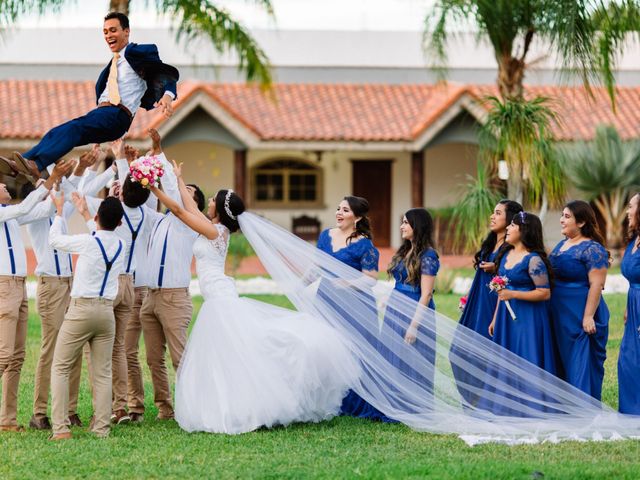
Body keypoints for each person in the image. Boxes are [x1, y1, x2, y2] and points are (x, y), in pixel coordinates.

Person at [148, 169, 358, 434]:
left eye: (213, 199)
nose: (208, 201)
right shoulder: (213, 227)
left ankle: (247, 403)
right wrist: (177, 179)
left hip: (219, 300)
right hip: (217, 297)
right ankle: (229, 400)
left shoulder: (215, 231)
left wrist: (154, 189)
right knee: (230, 355)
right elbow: (187, 206)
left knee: (237, 354)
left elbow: (179, 211)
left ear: (220, 210)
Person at [0, 11, 178, 184]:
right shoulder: (112, 65)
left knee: (73, 129)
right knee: (63, 131)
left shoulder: (138, 52)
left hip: (116, 114)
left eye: (113, 30)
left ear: (127, 31)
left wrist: (168, 95)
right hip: (104, 114)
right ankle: (24, 163)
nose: (109, 35)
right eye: (105, 32)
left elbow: (163, 73)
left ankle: (35, 164)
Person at [0, 160, 72, 433]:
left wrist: (52, 181)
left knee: (16, 357)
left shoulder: (10, 213)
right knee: (4, 354)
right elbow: (28, 205)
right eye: (1, 185)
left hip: (19, 286)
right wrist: (50, 177)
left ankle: (6, 420)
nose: (5, 186)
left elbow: (42, 207)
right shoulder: (8, 212)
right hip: (4, 286)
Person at [27, 155, 98, 430]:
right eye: (46, 184)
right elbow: (50, 202)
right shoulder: (35, 213)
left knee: (74, 345)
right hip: (51, 286)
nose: (52, 187)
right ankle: (40, 412)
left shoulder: (58, 210)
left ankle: (69, 410)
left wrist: (79, 168)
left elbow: (73, 195)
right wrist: (54, 178)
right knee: (51, 348)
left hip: (69, 283)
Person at [48, 195, 125, 440]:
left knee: (60, 367)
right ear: (120, 223)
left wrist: (60, 212)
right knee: (102, 373)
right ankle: (101, 428)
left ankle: (61, 429)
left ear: (98, 217)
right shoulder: (121, 245)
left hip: (81, 310)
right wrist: (85, 214)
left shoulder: (88, 242)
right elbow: (103, 235)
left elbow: (55, 240)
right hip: (106, 313)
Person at [315, 196, 391, 422]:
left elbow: (371, 279)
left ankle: (354, 401)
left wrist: (347, 283)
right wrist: (299, 286)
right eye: (338, 208)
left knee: (354, 350)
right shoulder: (325, 236)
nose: (339, 213)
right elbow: (316, 267)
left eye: (345, 210)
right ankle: (326, 397)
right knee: (325, 346)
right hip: (326, 298)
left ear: (357, 217)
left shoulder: (365, 245)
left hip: (355, 304)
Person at [450, 200, 522, 406]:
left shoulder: (512, 246)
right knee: (458, 352)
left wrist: (497, 267)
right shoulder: (490, 242)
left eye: (498, 213)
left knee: (486, 355)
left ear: (510, 219)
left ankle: (485, 404)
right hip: (478, 301)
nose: (492, 216)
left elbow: (516, 271)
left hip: (495, 304)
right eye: (493, 212)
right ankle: (471, 402)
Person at [549, 201, 609, 400]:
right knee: (561, 358)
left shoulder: (593, 249)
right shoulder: (562, 244)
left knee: (580, 360)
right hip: (558, 313)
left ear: (582, 222)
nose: (561, 220)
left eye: (567, 216)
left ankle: (582, 409)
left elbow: (596, 285)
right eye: (562, 215)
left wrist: (588, 316)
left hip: (579, 313)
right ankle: (563, 406)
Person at [382, 209, 439, 403]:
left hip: (415, 310)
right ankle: (393, 400)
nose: (401, 226)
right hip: (395, 307)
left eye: (406, 223)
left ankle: (414, 403)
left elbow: (426, 294)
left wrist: (414, 326)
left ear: (418, 226)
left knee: (413, 356)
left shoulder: (429, 255)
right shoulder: (405, 251)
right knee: (392, 351)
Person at [619, 193, 640, 414]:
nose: (627, 211)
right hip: (633, 305)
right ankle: (631, 413)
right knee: (628, 362)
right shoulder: (634, 240)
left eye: (631, 206)